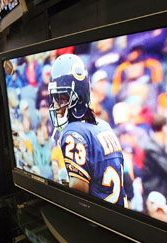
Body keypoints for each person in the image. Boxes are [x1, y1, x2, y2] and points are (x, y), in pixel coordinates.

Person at [48, 54, 127, 207]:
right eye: (55, 97)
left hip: (97, 221)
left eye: (61, 98)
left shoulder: (73, 133)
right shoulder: (103, 125)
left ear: (77, 97)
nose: (56, 105)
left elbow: (78, 196)